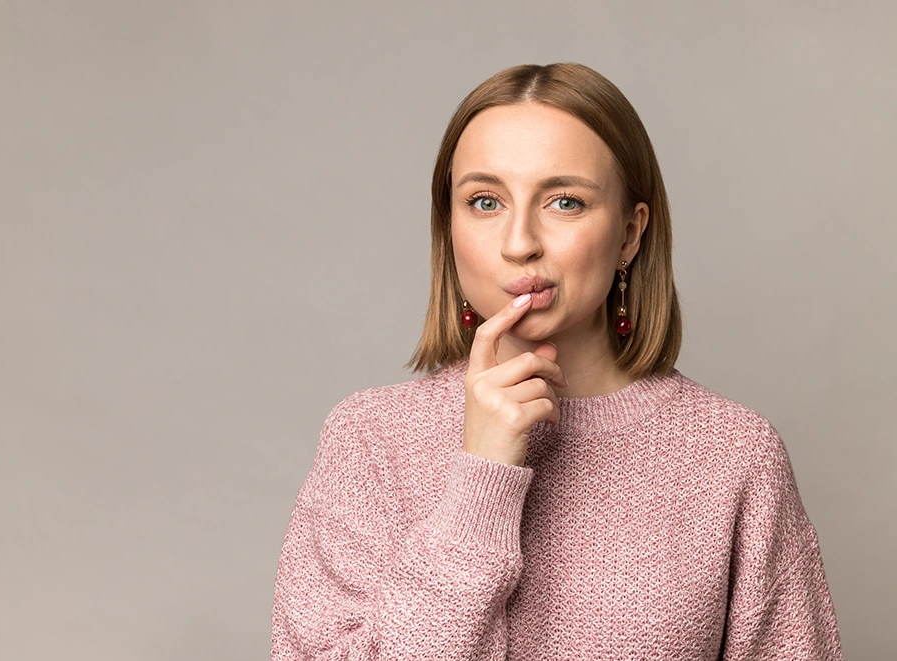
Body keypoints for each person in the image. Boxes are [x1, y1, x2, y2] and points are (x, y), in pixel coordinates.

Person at [269, 63, 844, 660]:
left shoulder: (733, 454)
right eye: (485, 201)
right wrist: (481, 484)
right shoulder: (369, 441)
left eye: (565, 202)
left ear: (629, 234)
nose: (519, 242)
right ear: (449, 227)